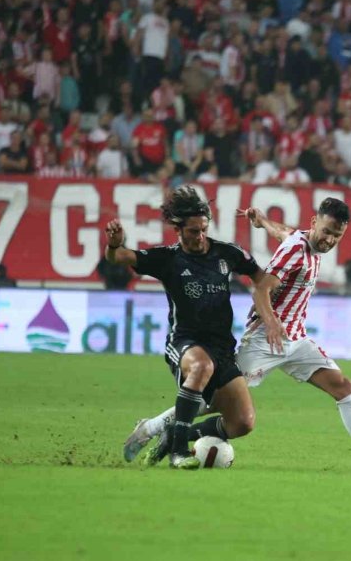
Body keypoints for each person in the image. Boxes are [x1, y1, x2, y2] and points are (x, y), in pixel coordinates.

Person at [125, 198, 351, 473]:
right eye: (326, 232)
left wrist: (262, 221)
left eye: (336, 236)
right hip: (266, 338)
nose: (329, 240)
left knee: (343, 386)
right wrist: (272, 322)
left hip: (296, 341)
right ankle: (152, 428)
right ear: (314, 223)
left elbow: (285, 232)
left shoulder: (304, 241)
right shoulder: (294, 250)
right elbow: (261, 288)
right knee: (217, 400)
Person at [105, 186, 284, 469]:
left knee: (242, 423)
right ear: (178, 230)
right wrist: (115, 245)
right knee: (201, 367)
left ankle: (172, 433)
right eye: (192, 231)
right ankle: (179, 451)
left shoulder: (228, 253)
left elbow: (262, 279)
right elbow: (119, 258)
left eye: (203, 229)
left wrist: (266, 305)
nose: (200, 237)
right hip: (185, 342)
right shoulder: (167, 259)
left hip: (223, 348)